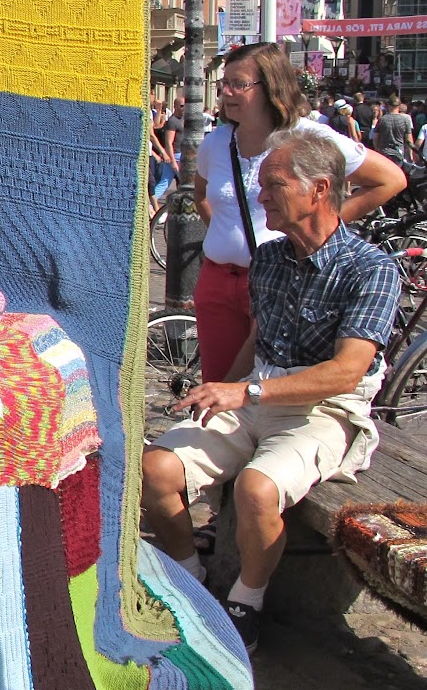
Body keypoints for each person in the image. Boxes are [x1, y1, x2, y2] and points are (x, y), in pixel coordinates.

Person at [142, 130, 400, 653]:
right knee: (155, 469)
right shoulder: (271, 258)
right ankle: (193, 581)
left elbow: (346, 373)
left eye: (273, 186)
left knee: (257, 489)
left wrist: (247, 394)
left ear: (320, 190)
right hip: (257, 394)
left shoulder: (370, 269)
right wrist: (227, 387)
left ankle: (245, 603)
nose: (259, 198)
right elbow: (260, 339)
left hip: (323, 408)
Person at [190, 42, 403, 385]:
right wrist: (226, 235)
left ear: (270, 87)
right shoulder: (216, 142)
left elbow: (389, 180)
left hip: (286, 278)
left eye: (238, 84)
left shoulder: (307, 137)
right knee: (219, 384)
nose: (226, 92)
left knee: (271, 384)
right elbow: (201, 195)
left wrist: (316, 228)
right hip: (219, 281)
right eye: (223, 84)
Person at [375, 97, 416, 168]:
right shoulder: (405, 120)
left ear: (388, 106)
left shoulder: (382, 119)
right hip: (398, 153)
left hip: (384, 152)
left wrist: (377, 149)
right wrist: (410, 156)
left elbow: (376, 137)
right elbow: (409, 140)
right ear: (399, 106)